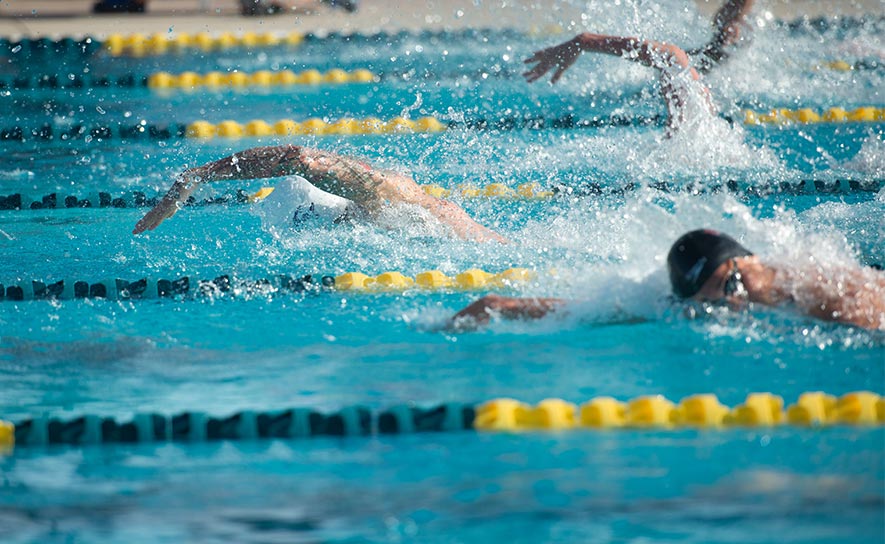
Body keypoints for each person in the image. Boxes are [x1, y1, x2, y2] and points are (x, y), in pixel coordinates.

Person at [451, 229, 885, 331]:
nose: (733, 304)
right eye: (715, 301)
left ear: (747, 261)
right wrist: (504, 305)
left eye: (734, 288)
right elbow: (614, 307)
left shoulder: (822, 290)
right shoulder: (713, 293)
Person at [132, 145, 506, 243]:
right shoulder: (372, 205)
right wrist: (195, 177)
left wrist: (197, 176)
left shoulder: (386, 196)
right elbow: (299, 160)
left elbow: (299, 159)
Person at [522, 0, 755, 132]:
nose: (667, 83)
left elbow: (672, 56)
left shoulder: (696, 117)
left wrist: (584, 41)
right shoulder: (703, 122)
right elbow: (671, 58)